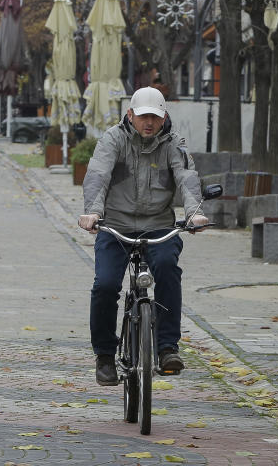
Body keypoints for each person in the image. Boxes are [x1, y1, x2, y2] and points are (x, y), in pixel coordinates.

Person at [77, 86, 208, 385]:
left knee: (167, 271)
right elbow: (97, 176)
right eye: (143, 116)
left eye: (155, 117)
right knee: (106, 285)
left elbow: (188, 178)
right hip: (115, 225)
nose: (149, 122)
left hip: (159, 226)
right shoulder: (113, 140)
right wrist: (93, 212)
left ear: (164, 118)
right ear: (130, 115)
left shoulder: (175, 144)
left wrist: (193, 214)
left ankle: (166, 348)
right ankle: (105, 356)